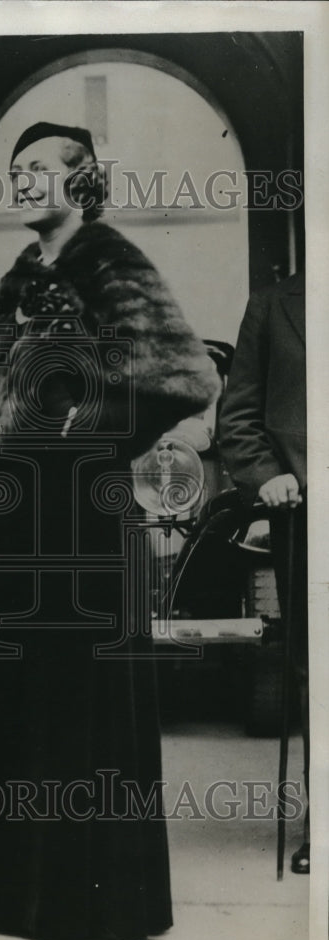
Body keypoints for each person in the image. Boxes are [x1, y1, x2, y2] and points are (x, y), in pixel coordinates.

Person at [0, 123, 220, 940]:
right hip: (25, 512)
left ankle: (84, 903)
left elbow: (186, 376)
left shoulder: (109, 258)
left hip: (93, 512)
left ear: (82, 181)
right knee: (22, 690)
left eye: (43, 170)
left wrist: (86, 423)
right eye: (17, 172)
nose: (27, 182)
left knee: (82, 696)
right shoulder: (15, 279)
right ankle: (12, 897)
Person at [219, 271, 308, 873]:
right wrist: (265, 474)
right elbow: (239, 416)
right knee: (318, 672)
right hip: (306, 513)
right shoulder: (277, 304)